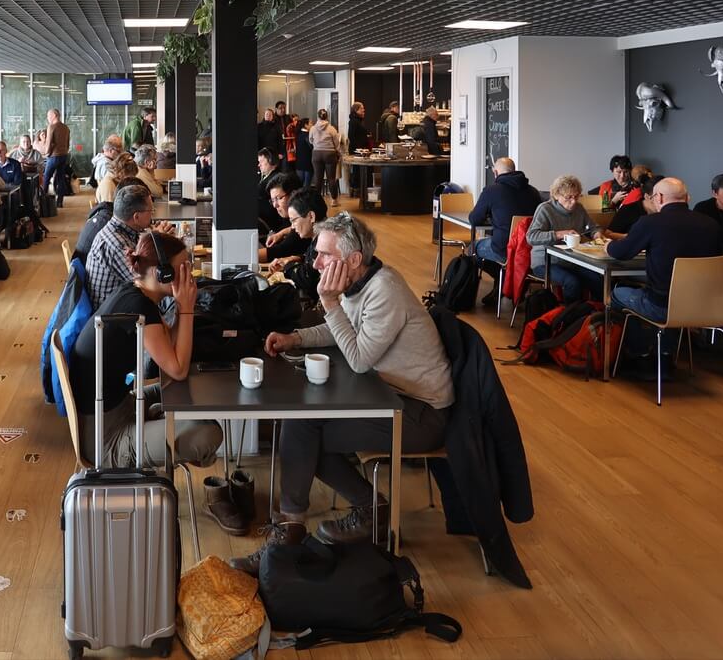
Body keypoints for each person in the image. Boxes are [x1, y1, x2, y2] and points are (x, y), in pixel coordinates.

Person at [235, 212, 452, 569]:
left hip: (420, 413)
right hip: (386, 395)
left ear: (353, 260)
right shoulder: (360, 280)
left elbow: (359, 358)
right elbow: (343, 330)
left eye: (324, 255)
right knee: (301, 427)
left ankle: (303, 532)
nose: (316, 262)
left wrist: (331, 302)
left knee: (303, 433)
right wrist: (296, 338)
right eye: (316, 254)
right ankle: (350, 514)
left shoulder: (384, 291)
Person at [68, 231, 220, 478]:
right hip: (106, 439)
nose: (188, 274)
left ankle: (158, 425)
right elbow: (178, 369)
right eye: (183, 268)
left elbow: (169, 342)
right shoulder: (138, 310)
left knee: (201, 396)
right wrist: (187, 309)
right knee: (209, 433)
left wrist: (183, 309)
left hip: (120, 408)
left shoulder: (135, 294)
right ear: (162, 274)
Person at [605, 176, 723, 365]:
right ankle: (666, 353)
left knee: (617, 294)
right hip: (705, 306)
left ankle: (640, 351)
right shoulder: (711, 224)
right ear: (687, 198)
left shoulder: (651, 223)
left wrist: (608, 246)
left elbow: (621, 253)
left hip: (662, 307)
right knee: (672, 292)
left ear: (659, 198)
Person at [526, 175, 602, 302]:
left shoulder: (579, 209)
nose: (573, 201)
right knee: (572, 282)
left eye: (576, 196)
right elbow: (531, 236)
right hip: (546, 262)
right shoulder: (545, 209)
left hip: (572, 260)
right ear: (556, 195)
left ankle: (599, 315)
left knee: (597, 279)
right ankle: (569, 317)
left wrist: (597, 235)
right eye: (568, 197)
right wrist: (560, 234)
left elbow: (593, 228)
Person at [86, 184, 159, 307]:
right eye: (151, 211)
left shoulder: (123, 230)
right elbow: (149, 285)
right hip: (113, 317)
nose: (152, 215)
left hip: (122, 303)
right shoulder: (117, 244)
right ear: (136, 217)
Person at [467, 157, 542, 269]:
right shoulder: (534, 192)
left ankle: (499, 278)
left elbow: (474, 219)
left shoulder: (491, 190)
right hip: (529, 249)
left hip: (504, 249)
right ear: (514, 170)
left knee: (472, 248)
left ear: (495, 172)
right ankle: (503, 279)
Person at [261, 183, 326, 264]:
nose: (275, 205)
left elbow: (309, 270)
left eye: (278, 198)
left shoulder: (324, 244)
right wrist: (298, 258)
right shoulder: (320, 233)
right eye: (273, 200)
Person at [603, 173, 661, 240]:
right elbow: (608, 234)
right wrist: (631, 237)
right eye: (659, 196)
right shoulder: (629, 209)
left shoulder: (668, 211)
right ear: (647, 197)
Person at [308, 108, 341, 202]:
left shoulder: (313, 128)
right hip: (330, 154)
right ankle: (334, 200)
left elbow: (310, 140)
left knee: (318, 178)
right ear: (327, 117)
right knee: (331, 178)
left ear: (317, 116)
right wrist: (337, 152)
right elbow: (336, 143)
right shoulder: (332, 128)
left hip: (316, 154)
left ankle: (317, 200)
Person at [39, 108, 72, 198]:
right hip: (64, 155)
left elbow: (49, 142)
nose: (47, 118)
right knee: (61, 179)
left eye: (48, 116)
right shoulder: (66, 127)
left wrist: (46, 153)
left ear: (54, 115)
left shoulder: (51, 127)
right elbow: (68, 143)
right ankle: (60, 202)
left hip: (53, 156)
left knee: (46, 177)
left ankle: (43, 199)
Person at [257, 148, 289, 233]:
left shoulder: (276, 179)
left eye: (261, 161)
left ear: (271, 161)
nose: (258, 165)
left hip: (271, 223)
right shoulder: (267, 176)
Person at [345, 101, 368, 197]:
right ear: (356, 110)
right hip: (356, 150)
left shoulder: (358, 120)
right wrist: (359, 148)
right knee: (356, 170)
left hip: (359, 149)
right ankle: (356, 190)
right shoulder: (354, 121)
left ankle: (357, 190)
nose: (364, 110)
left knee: (357, 170)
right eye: (361, 108)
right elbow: (351, 136)